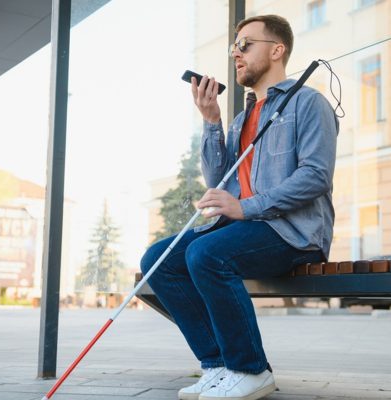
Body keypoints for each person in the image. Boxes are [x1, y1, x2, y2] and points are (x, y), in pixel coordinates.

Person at [140, 14, 339, 400]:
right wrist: (211, 121)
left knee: (206, 254)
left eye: (245, 44)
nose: (236, 53)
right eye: (235, 46)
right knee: (159, 259)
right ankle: (218, 364)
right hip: (246, 229)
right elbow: (219, 179)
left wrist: (246, 207)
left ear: (277, 50)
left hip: (293, 232)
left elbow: (316, 176)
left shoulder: (308, 103)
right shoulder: (242, 119)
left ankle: (250, 369)